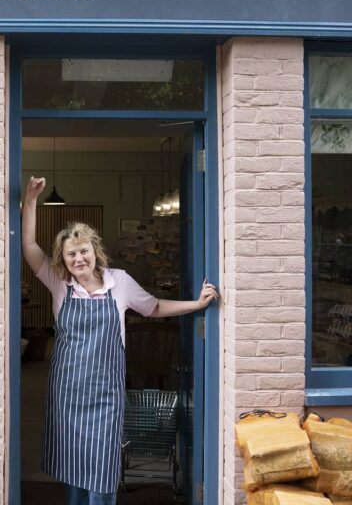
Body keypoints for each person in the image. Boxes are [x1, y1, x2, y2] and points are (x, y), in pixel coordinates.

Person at [22, 176, 218, 505]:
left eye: (83, 251)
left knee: (102, 467)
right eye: (70, 254)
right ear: (63, 259)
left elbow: (154, 307)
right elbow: (29, 246)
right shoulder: (60, 283)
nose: (78, 259)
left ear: (95, 252)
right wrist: (30, 201)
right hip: (68, 394)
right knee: (73, 467)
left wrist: (196, 305)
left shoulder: (120, 283)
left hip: (105, 397)